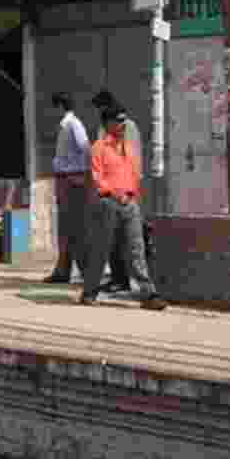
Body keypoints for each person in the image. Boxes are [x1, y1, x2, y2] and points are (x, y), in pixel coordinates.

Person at [80, 107, 162, 308]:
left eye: (124, 121)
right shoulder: (98, 148)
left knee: (137, 250)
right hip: (108, 204)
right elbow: (98, 179)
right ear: (107, 124)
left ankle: (149, 295)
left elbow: (134, 176)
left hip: (130, 204)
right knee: (101, 250)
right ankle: (89, 292)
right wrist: (118, 195)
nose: (123, 125)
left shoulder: (128, 148)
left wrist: (131, 195)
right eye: (118, 121)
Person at [90, 90, 142, 292]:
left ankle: (123, 279)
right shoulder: (107, 129)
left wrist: (130, 191)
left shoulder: (126, 128)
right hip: (110, 192)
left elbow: (132, 161)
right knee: (111, 240)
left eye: (101, 109)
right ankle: (118, 277)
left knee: (127, 241)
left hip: (125, 191)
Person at [45, 92, 90, 284]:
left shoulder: (73, 124)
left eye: (52, 108)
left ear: (60, 107)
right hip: (65, 178)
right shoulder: (66, 125)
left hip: (72, 179)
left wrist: (80, 175)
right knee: (64, 226)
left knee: (73, 226)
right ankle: (63, 269)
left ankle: (83, 271)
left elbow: (86, 148)